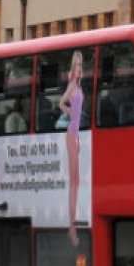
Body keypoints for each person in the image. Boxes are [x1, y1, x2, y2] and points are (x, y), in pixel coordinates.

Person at [59, 50, 83, 247]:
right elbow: (60, 103)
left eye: (81, 66)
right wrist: (70, 113)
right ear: (72, 70)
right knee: (73, 182)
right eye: (77, 66)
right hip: (71, 133)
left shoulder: (78, 87)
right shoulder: (72, 86)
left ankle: (72, 224)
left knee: (77, 181)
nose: (79, 70)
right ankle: (71, 226)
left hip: (77, 134)